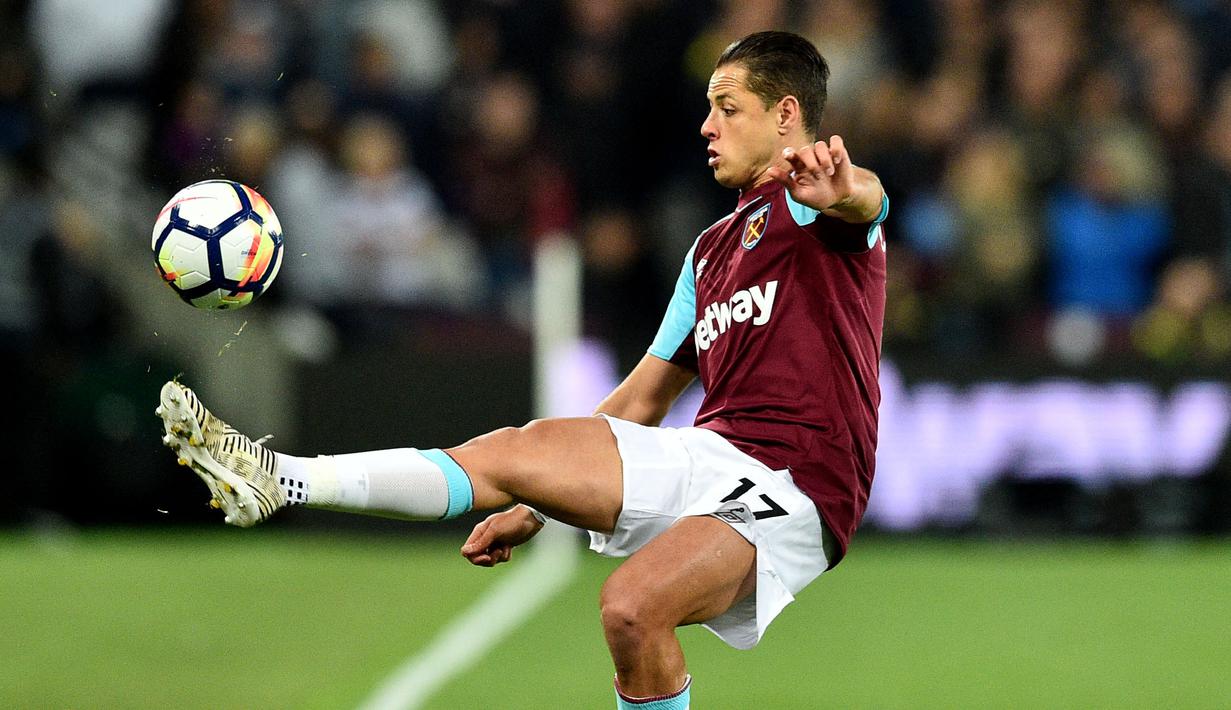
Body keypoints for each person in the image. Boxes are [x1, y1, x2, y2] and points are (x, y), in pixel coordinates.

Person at [157, 31, 887, 709]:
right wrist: (537, 503)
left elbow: (868, 200)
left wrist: (849, 193)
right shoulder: (709, 252)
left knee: (632, 604)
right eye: (707, 109)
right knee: (515, 452)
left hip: (797, 482)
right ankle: (276, 478)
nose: (706, 126)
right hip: (714, 452)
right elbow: (640, 398)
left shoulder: (817, 207)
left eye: (727, 109)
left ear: (786, 114)